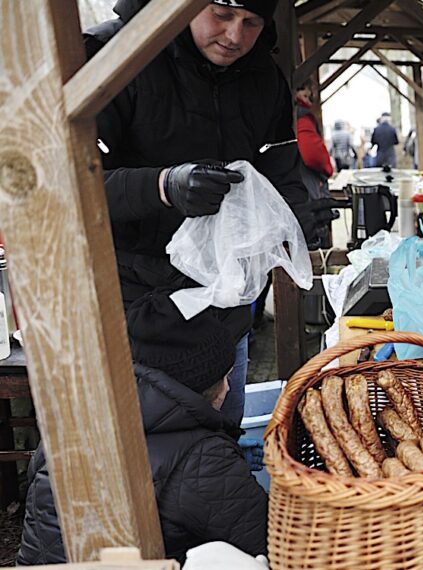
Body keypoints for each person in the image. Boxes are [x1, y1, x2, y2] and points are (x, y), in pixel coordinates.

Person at [83, 0, 331, 426]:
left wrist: (294, 219)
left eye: (252, 22)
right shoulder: (113, 56)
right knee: (145, 448)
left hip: (221, 306)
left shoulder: (263, 78)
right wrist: (163, 186)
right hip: (131, 306)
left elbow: (279, 171)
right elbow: (66, 186)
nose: (235, 36)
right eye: (222, 14)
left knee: (218, 443)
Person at [19, 292, 268, 565]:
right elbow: (269, 541)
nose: (229, 387)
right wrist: (223, 468)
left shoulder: (72, 419)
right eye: (226, 377)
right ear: (204, 387)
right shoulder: (206, 460)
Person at [295, 81, 338, 249]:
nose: (307, 98)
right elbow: (311, 153)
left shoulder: (298, 115)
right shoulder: (302, 117)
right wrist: (327, 167)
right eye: (304, 94)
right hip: (308, 187)